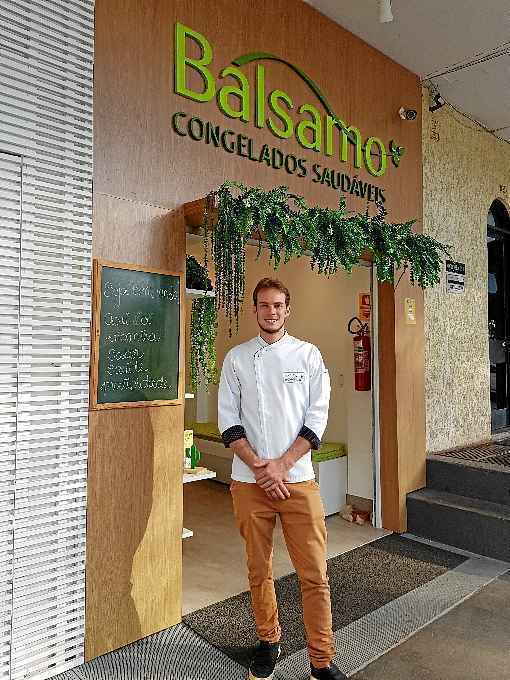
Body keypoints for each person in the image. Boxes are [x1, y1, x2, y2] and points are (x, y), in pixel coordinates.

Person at [218, 277, 346, 680]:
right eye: (263, 306)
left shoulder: (308, 356)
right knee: (259, 569)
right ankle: (268, 641)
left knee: (314, 573)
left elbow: (317, 419)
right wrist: (261, 467)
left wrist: (281, 466)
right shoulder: (237, 358)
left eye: (277, 306)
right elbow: (229, 423)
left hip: (298, 481)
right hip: (248, 481)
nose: (270, 312)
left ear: (287, 310)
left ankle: (321, 661)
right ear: (254, 310)